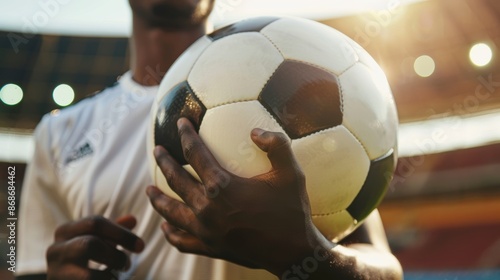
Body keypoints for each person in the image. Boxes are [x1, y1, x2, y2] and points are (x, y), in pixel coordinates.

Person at [16, 0, 403, 279]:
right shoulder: (60, 133)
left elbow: (385, 269)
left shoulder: (306, 83)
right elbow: (35, 270)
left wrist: (303, 256)